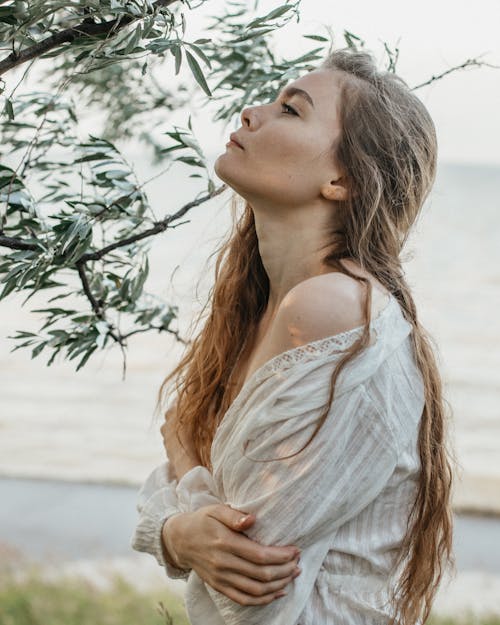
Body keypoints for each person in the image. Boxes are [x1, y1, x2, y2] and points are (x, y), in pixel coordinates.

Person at [131, 47, 455, 625]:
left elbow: (250, 586)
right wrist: (180, 532)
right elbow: (214, 545)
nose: (251, 113)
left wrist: (182, 464)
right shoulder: (269, 306)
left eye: (290, 110)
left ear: (341, 179)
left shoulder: (332, 309)